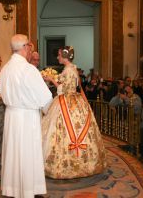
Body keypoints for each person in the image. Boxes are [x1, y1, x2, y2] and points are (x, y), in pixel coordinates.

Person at [0, 34, 52, 197]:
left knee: (13, 154)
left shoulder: (4, 69)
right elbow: (46, 97)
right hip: (27, 118)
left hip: (11, 116)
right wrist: (47, 111)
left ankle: (12, 189)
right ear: (25, 47)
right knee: (27, 154)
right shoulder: (29, 70)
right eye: (29, 46)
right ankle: (28, 190)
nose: (31, 49)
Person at [42, 46, 107, 179]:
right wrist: (53, 77)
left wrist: (52, 80)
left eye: (59, 55)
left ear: (65, 56)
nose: (57, 57)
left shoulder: (69, 70)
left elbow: (62, 89)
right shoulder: (70, 68)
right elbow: (67, 82)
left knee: (62, 129)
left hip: (66, 100)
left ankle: (70, 162)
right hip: (73, 100)